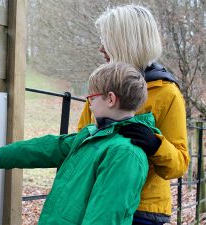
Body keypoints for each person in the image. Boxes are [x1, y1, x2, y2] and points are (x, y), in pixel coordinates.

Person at [0, 62, 160, 225]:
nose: (90, 104)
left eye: (92, 98)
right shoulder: (94, 136)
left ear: (110, 99)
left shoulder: (125, 154)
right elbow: (47, 148)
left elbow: (105, 217)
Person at [77, 5, 190, 225]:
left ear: (126, 42)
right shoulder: (102, 84)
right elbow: (80, 138)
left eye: (106, 40)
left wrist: (155, 145)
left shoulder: (167, 93)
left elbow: (179, 164)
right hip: (99, 203)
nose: (101, 48)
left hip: (142, 212)